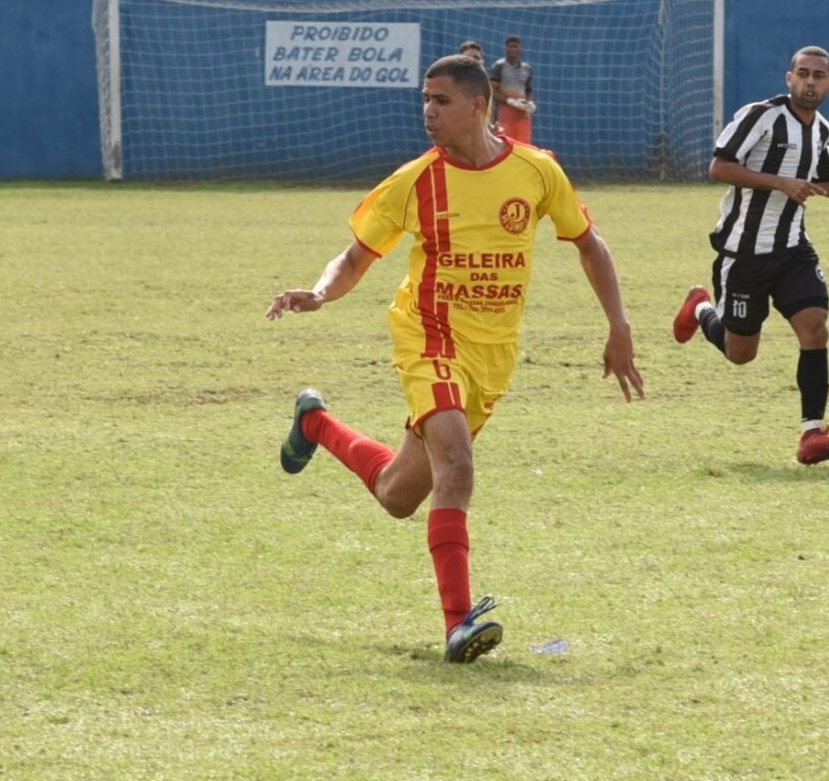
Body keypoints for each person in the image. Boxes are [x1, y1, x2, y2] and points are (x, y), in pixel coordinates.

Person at [267, 53, 644, 663]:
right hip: (428, 335)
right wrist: (321, 290)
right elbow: (356, 256)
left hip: (492, 355)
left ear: (478, 105)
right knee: (458, 466)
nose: (427, 112)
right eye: (424, 99)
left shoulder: (537, 171)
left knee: (398, 494)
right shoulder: (415, 180)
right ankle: (458, 624)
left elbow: (588, 243)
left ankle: (314, 423)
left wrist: (618, 325)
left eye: (440, 101)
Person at [671, 46, 829, 464]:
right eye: (802, 74)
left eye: (818, 76)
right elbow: (719, 168)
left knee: (815, 329)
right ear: (789, 78)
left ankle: (811, 433)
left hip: (792, 250)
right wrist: (780, 182)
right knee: (740, 354)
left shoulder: (820, 128)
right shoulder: (760, 116)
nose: (809, 82)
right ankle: (701, 309)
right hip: (744, 254)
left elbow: (825, 181)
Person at [489, 36, 536, 146]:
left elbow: (528, 90)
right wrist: (509, 101)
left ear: (520, 49)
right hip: (504, 115)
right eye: (510, 46)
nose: (513, 49)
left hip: (522, 115)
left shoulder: (527, 68)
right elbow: (492, 90)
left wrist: (529, 102)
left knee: (524, 147)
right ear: (506, 48)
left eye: (515, 46)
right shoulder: (499, 66)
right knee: (506, 146)